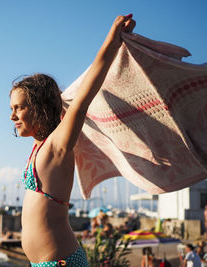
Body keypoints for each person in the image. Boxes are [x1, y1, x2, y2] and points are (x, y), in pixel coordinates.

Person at [10, 14, 136, 266]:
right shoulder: (39, 147)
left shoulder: (58, 144)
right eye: (11, 109)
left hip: (60, 261)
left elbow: (83, 100)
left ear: (39, 107)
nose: (12, 115)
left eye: (19, 108)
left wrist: (112, 41)